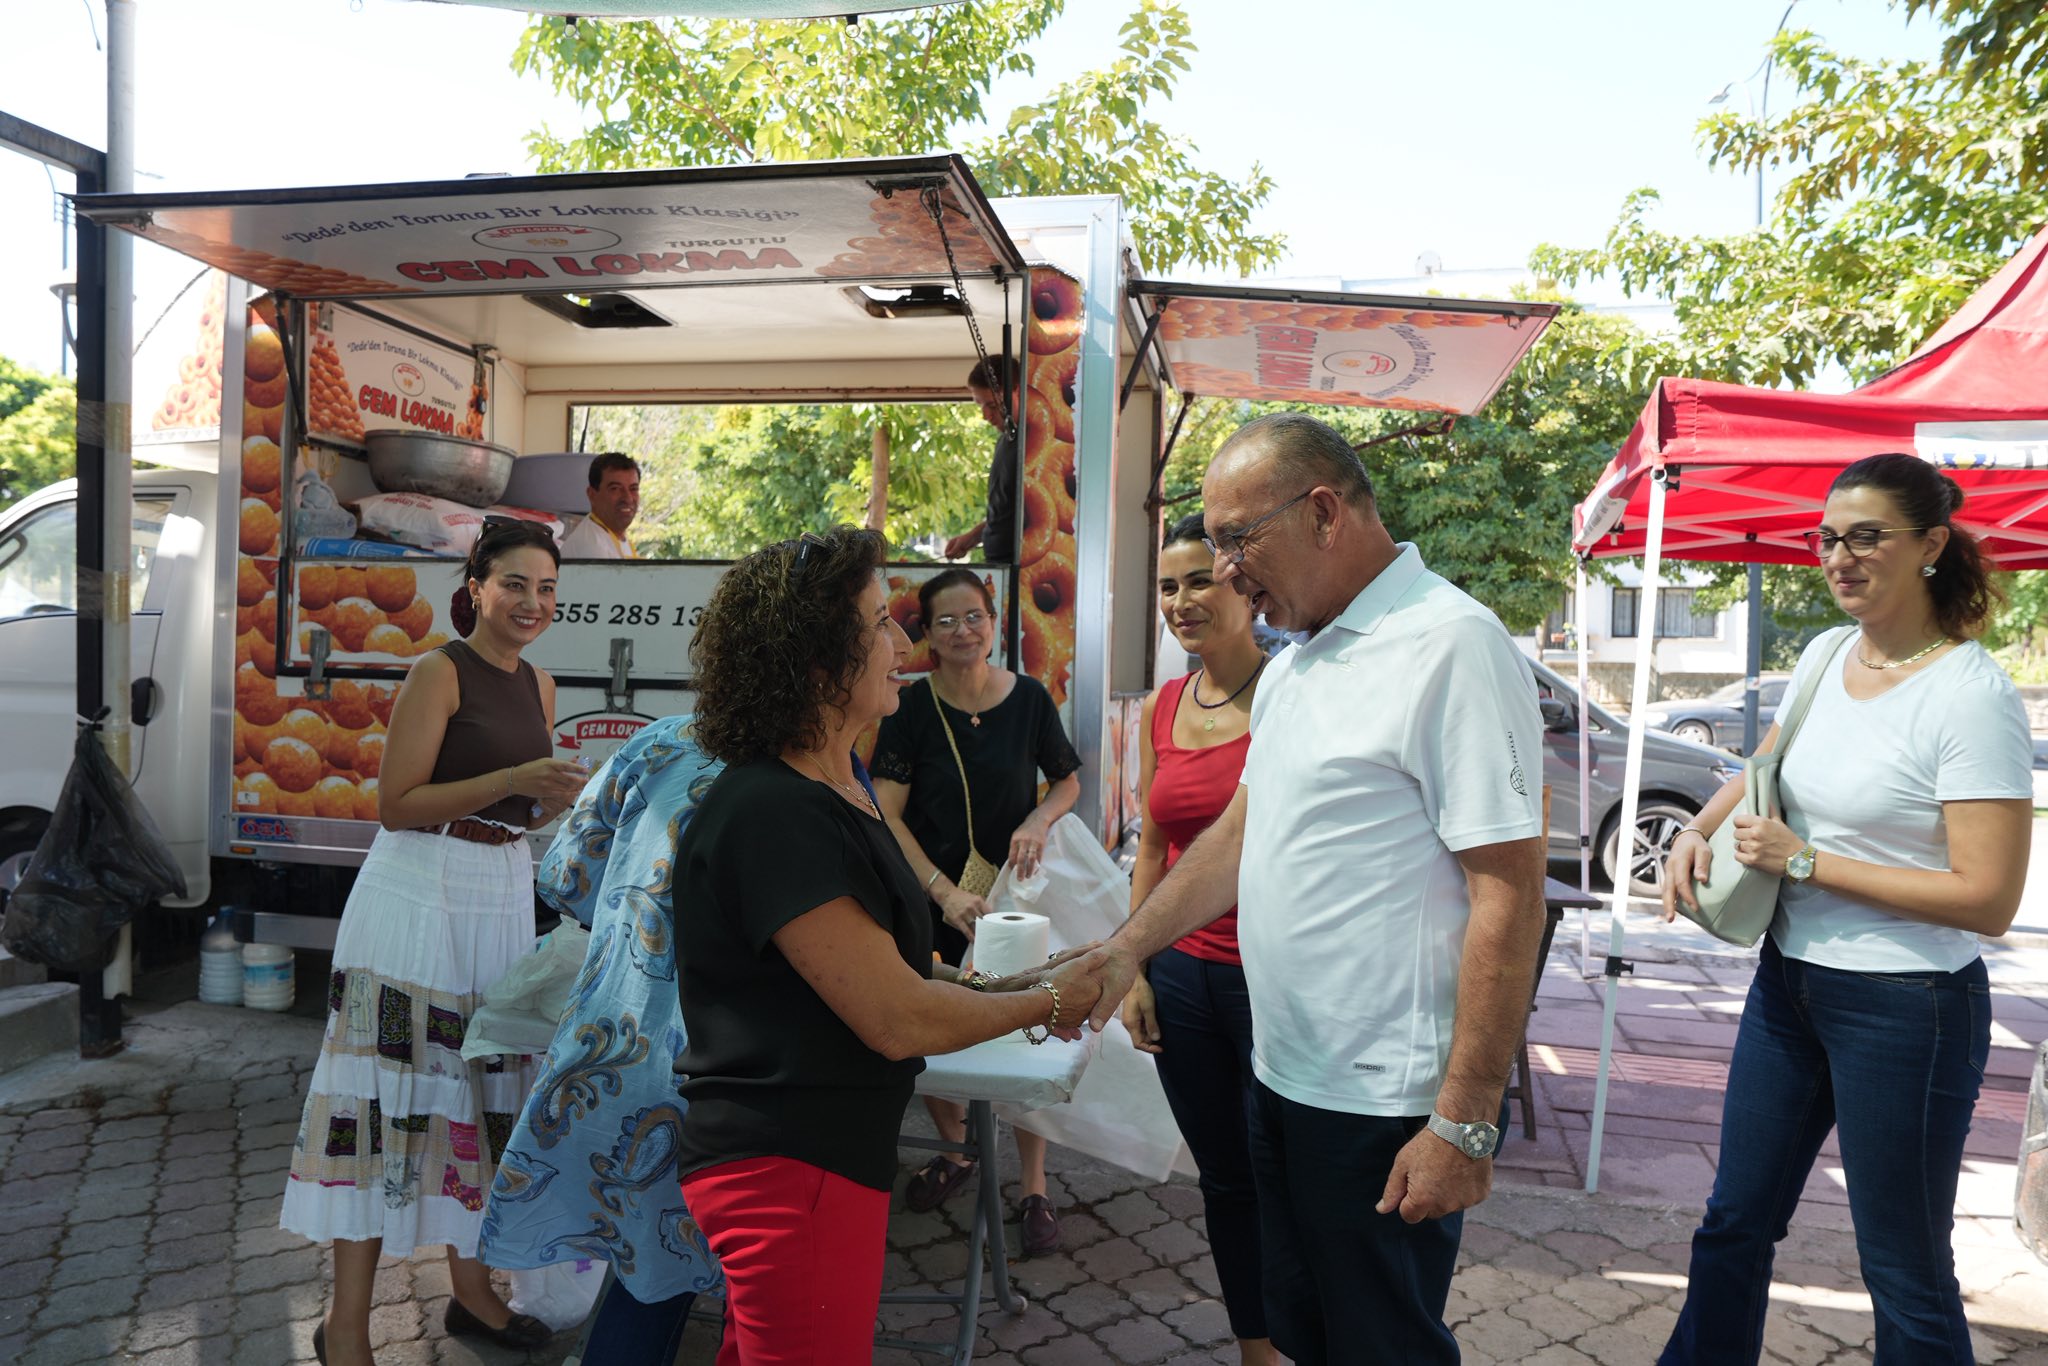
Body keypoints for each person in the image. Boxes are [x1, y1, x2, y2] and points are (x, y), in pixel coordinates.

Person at [1087, 412, 1550, 1365]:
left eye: (1235, 540)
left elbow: (1510, 895)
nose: (1222, 572)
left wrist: (1464, 1120)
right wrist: (1124, 948)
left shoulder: (1451, 644)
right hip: (1281, 1071)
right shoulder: (1300, 660)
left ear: (1325, 512)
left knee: (1383, 1343)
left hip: (1381, 1097)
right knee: (1302, 1330)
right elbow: (1237, 837)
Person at [673, 526, 1108, 1364]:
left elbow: (893, 967)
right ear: (816, 662)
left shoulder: (837, 785)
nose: (904, 643)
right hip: (789, 1166)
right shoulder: (774, 810)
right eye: (880, 624)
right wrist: (1055, 1002)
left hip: (820, 1155)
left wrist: (1018, 980)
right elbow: (898, 1018)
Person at [1655, 453, 2032, 1366]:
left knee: (1900, 1265)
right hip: (1790, 985)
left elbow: (1989, 899)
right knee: (1734, 1223)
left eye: (1867, 537)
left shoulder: (1971, 697)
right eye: (1828, 538)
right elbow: (1766, 770)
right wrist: (1697, 831)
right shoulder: (1827, 652)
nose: (1840, 556)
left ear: (1931, 544)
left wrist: (1811, 861)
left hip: (1909, 1009)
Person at [282, 520, 592, 1366]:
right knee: (391, 1101)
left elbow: (523, 810)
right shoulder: (437, 670)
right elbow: (396, 803)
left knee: (481, 1090)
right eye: (517, 585)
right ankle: (346, 1324)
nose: (533, 603)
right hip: (417, 892)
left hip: (497, 891)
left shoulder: (542, 683)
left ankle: (472, 1292)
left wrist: (570, 797)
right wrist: (513, 780)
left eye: (548, 589)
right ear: (477, 588)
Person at [479, 715, 727, 1366]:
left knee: (652, 1277)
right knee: (677, 1282)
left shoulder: (661, 741)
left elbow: (566, 879)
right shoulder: (813, 770)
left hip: (613, 1051)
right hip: (720, 1069)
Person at [871, 567, 1083, 1255]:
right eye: (945, 621)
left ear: (994, 623)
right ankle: (957, 1150)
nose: (963, 631)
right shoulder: (907, 709)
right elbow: (887, 814)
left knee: (1026, 1029)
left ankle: (1035, 1185)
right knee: (933, 1027)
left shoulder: (1027, 699)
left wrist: (1040, 820)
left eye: (975, 617)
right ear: (925, 635)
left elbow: (1068, 780)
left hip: (1014, 897)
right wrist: (941, 890)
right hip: (934, 896)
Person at [1120, 512, 1273, 1365]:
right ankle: (1258, 1350)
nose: (1181, 601)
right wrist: (1135, 964)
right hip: (1182, 980)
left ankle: (1312, 1331)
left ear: (1244, 588)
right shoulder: (1163, 704)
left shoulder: (1291, 695)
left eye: (1198, 581)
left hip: (1274, 981)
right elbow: (1151, 845)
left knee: (1285, 1174)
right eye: (1168, 586)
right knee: (1225, 1179)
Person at [943, 357, 1020, 563]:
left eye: (993, 406)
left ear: (1018, 392)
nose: (986, 416)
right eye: (980, 405)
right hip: (996, 562)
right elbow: (1005, 516)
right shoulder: (1005, 442)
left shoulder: (1034, 445)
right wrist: (971, 538)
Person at [559, 452, 640, 559]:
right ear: (592, 495)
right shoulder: (592, 545)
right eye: (615, 489)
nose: (628, 498)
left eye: (633, 489)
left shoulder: (615, 536)